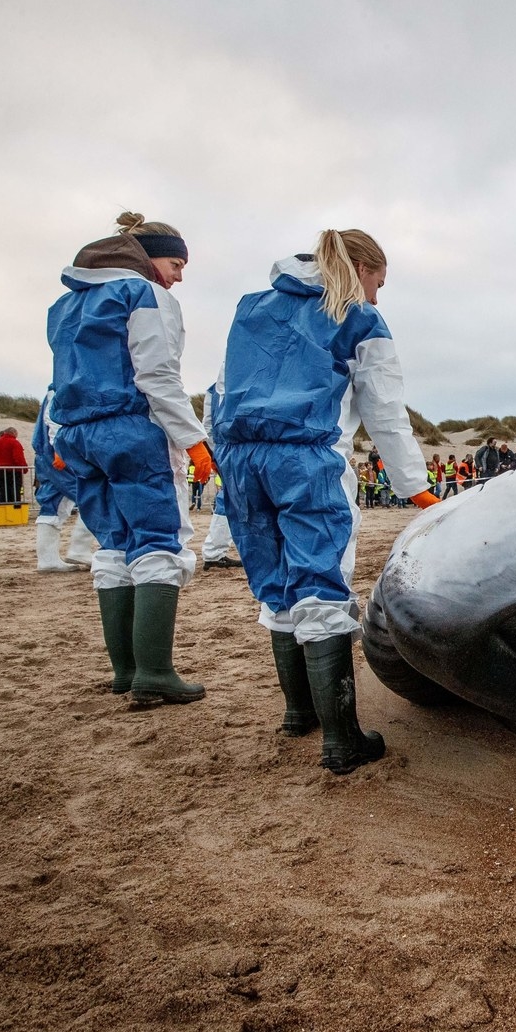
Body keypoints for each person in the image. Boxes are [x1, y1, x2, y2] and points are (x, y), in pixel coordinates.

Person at [214, 227, 438, 775]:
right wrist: (417, 489)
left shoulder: (252, 307)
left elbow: (218, 389)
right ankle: (341, 740)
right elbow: (385, 411)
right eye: (378, 282)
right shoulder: (359, 318)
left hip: (242, 459)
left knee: (278, 585)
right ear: (360, 269)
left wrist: (220, 457)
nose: (378, 296)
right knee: (320, 585)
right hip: (307, 461)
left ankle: (298, 712)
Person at [47, 210, 210, 709]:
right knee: (159, 543)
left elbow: (58, 377)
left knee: (114, 547)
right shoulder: (144, 293)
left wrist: (56, 440)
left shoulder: (65, 303)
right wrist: (194, 440)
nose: (179, 276)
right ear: (147, 257)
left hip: (78, 432)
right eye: (176, 263)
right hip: (132, 431)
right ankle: (156, 672)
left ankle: (126, 671)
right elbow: (157, 374)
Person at [33, 388, 99, 572]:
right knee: (93, 496)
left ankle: (47, 559)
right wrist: (59, 450)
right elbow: (54, 417)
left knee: (52, 503)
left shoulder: (58, 384)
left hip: (48, 453)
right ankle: (80, 549)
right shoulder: (60, 385)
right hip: (59, 453)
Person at [199, 378, 241, 569]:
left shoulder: (212, 390)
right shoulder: (243, 379)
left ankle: (215, 550)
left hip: (223, 447)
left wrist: (214, 452)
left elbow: (207, 425)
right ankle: (214, 550)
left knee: (230, 496)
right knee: (231, 497)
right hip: (241, 444)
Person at [0, 427, 28, 504]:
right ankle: (14, 509)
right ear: (14, 433)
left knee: (1, 491)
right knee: (14, 491)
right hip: (13, 471)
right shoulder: (15, 443)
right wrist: (24, 468)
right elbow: (18, 458)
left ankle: (0, 508)